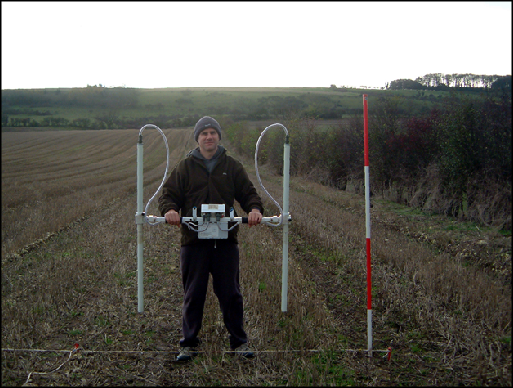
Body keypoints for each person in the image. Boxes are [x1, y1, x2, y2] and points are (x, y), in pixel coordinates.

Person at [158, 116, 263, 362]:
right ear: (198, 138)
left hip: (225, 241)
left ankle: (239, 342)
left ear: (218, 137)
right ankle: (188, 344)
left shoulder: (232, 166)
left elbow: (248, 193)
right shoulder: (185, 167)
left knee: (231, 294)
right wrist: (170, 210)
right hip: (193, 242)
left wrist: (255, 209)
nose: (209, 137)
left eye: (212, 132)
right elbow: (168, 195)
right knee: (193, 294)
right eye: (204, 133)